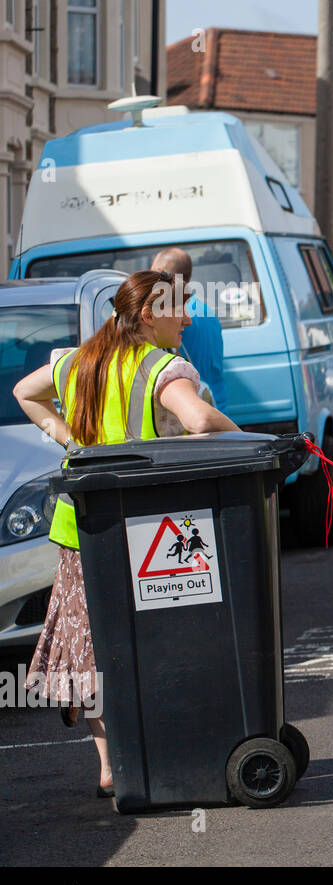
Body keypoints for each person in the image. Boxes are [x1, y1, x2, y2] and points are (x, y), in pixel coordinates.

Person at [11, 269, 240, 798]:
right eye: (178, 309)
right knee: (167, 637)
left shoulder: (75, 362)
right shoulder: (165, 368)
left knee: (91, 647)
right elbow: (201, 421)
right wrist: (250, 439)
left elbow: (26, 391)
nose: (186, 319)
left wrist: (70, 442)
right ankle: (173, 747)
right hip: (155, 528)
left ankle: (111, 766)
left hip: (84, 530)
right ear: (147, 316)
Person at [151, 248, 228, 412]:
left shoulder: (170, 314)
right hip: (217, 404)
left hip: (193, 407)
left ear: (160, 272)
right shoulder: (206, 310)